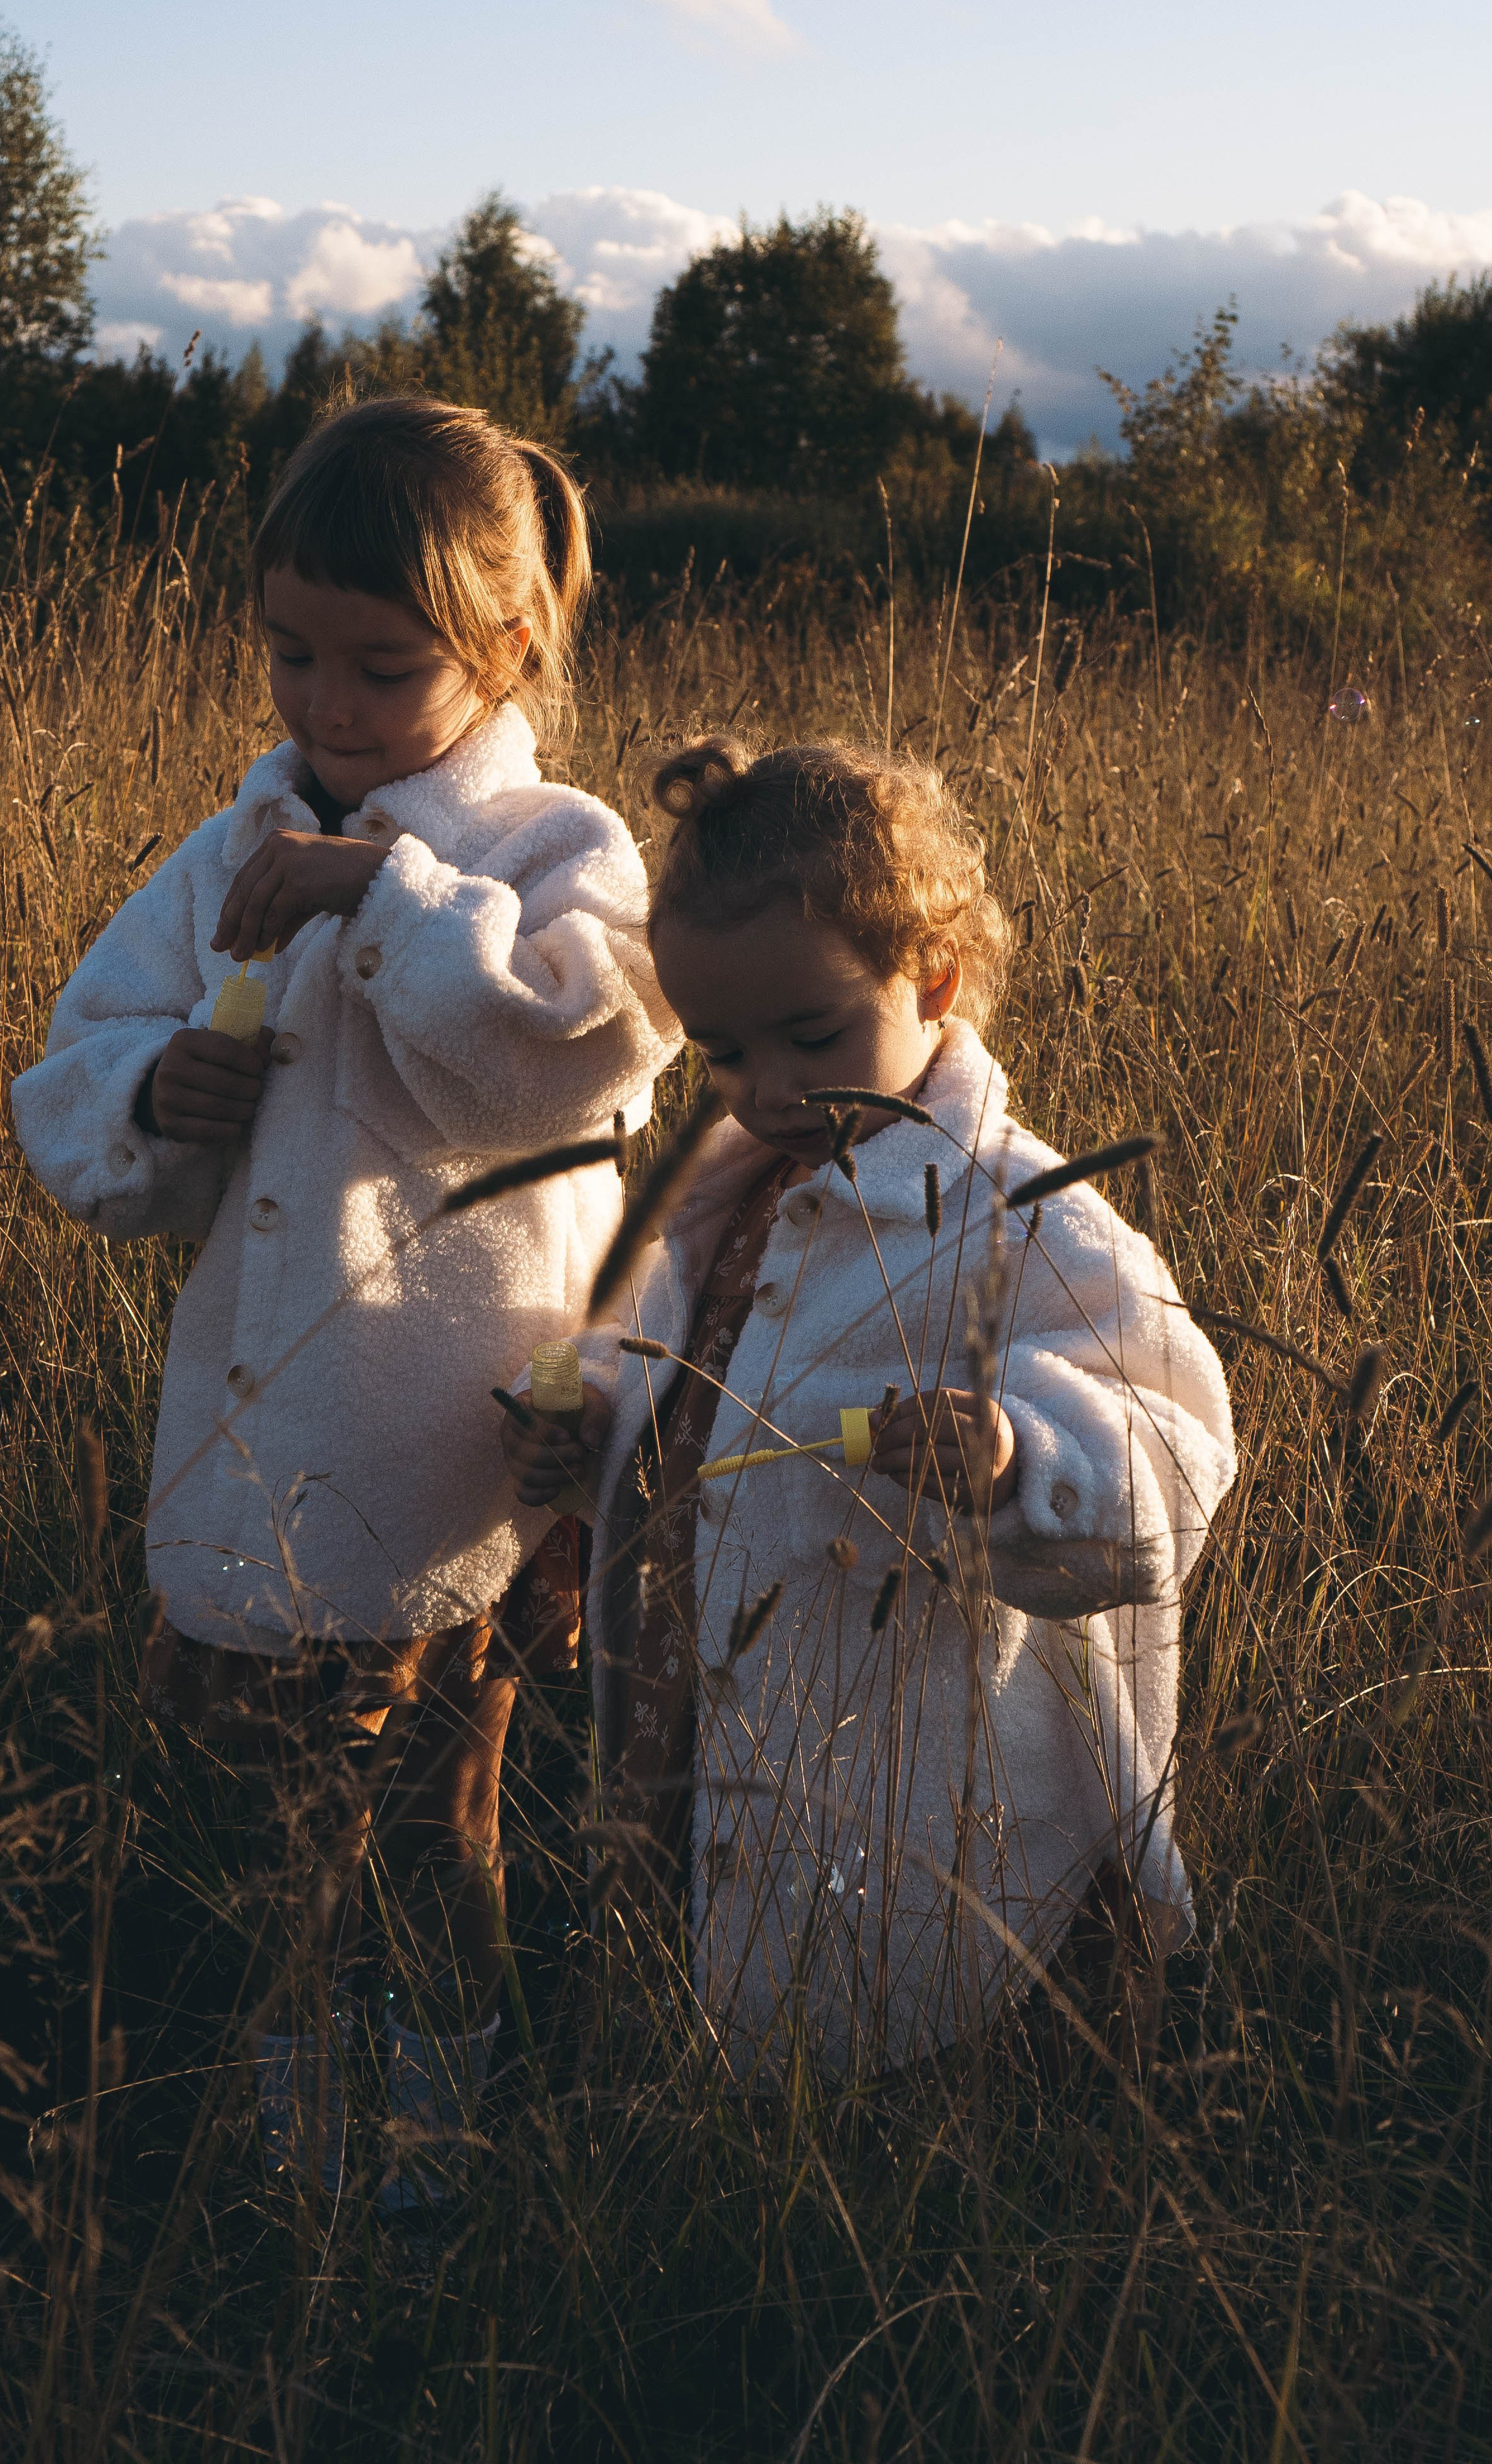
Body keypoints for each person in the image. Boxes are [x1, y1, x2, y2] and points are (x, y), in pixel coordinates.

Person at [12, 396, 678, 2197]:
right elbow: (77, 1056)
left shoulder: (561, 850)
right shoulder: (235, 841)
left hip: (445, 1453)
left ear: (511, 641)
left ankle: (433, 2163)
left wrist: (385, 889)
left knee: (437, 1817)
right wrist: (161, 1095)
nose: (328, 706)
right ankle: (307, 2155)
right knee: (290, 1840)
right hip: (262, 1435)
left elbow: (565, 1060)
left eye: (384, 668)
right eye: (293, 654)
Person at [499, 739, 1235, 2077]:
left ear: (933, 980)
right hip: (689, 1728)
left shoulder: (1024, 1217)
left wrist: (1026, 1456)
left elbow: (1177, 1442)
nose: (770, 1089)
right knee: (710, 1991)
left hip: (916, 1788)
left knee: (903, 2039)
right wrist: (592, 1429)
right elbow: (685, 1390)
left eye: (812, 1036)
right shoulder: (723, 1204)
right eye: (720, 1052)